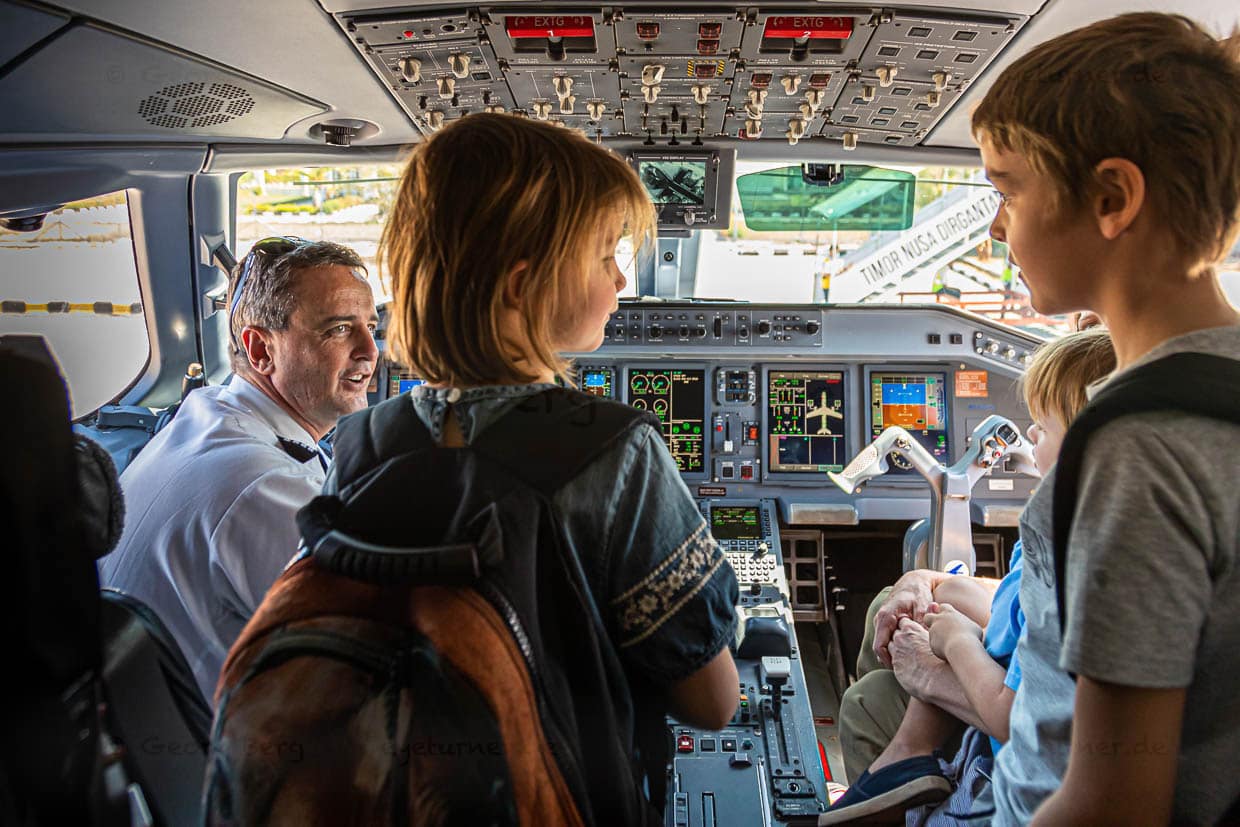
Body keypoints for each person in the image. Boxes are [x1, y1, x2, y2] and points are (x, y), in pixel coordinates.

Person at [375, 112, 739, 807]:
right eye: (607, 255)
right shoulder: (611, 449)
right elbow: (713, 702)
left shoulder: (368, 440)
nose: (623, 281)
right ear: (522, 284)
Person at [964, 13, 1240, 825]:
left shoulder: (1138, 450)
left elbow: (1112, 803)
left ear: (1113, 198)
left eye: (1008, 188)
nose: (996, 225)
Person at [828, 329, 1116, 823]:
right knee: (892, 602)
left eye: (1043, 427)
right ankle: (906, 752)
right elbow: (1017, 608)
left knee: (865, 703)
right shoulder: (1065, 519)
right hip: (1010, 696)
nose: (1028, 436)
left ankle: (904, 771)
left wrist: (953, 644)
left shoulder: (1070, 543)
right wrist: (927, 583)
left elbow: (1024, 714)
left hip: (1008, 756)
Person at [99, 239, 379, 702]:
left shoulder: (205, 416)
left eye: (370, 326)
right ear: (260, 348)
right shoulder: (267, 487)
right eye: (338, 330)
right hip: (216, 756)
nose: (370, 350)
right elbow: (372, 653)